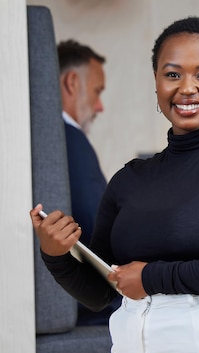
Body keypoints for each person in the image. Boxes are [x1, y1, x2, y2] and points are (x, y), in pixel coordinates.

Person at [30, 16, 199, 353]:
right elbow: (103, 291)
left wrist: (151, 277)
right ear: (156, 82)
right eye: (172, 74)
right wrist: (56, 255)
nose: (187, 87)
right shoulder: (130, 179)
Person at [57, 39, 120, 326]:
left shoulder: (45, 141)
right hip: (95, 307)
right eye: (97, 92)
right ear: (72, 82)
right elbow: (99, 234)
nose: (100, 106)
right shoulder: (70, 140)